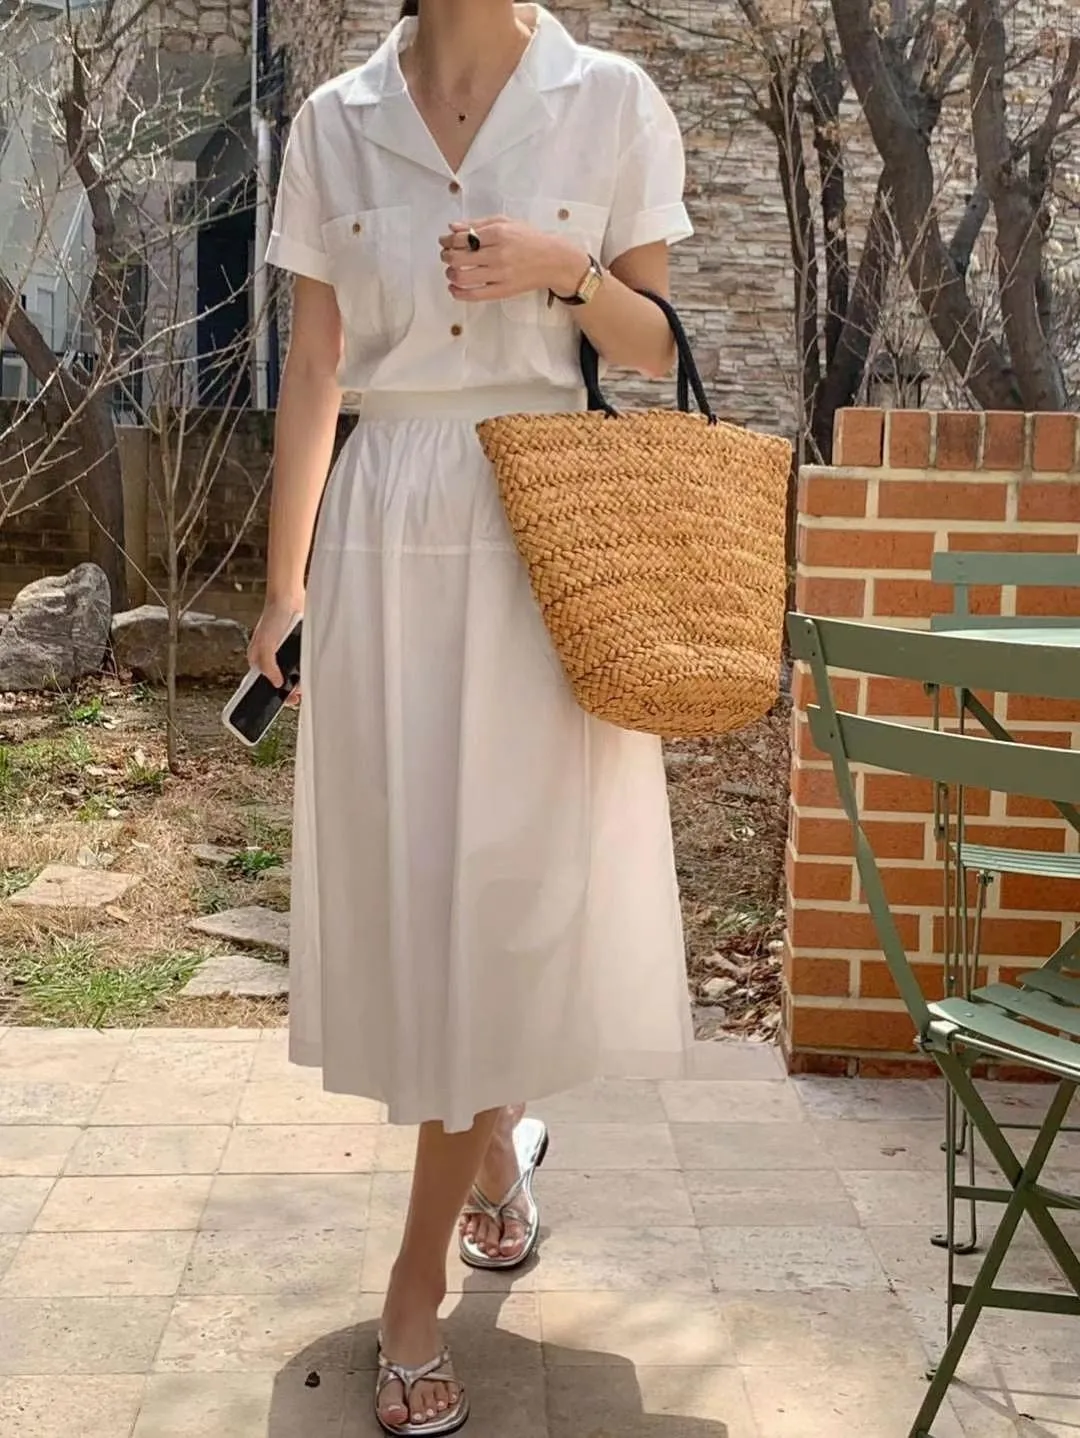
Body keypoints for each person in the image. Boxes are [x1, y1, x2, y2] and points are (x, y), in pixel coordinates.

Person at [252, 2, 695, 1431]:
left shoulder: (608, 97)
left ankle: (413, 1286)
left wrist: (565, 270)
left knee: (506, 891)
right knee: (420, 888)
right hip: (386, 530)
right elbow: (315, 366)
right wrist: (284, 584)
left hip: (543, 534)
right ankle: (496, 1158)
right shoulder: (334, 121)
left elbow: (654, 347)